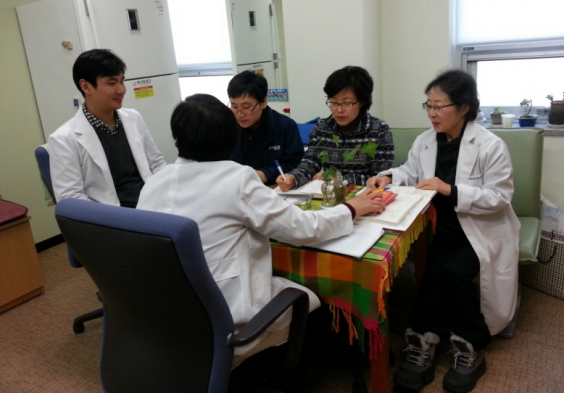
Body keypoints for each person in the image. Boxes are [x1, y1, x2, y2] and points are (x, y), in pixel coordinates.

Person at [136, 94, 386, 378]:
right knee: (311, 296)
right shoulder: (237, 179)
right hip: (225, 325)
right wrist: (351, 208)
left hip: (162, 322)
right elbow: (303, 228)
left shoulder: (154, 183)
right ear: (231, 139)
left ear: (176, 141)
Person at [366, 70, 519, 393]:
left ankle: (470, 346)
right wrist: (389, 177)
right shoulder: (426, 141)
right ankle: (423, 341)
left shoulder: (490, 145)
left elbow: (500, 197)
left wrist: (449, 189)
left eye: (439, 106)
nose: (432, 113)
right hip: (437, 227)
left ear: (464, 107)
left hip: (480, 230)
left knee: (452, 273)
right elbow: (411, 171)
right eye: (429, 105)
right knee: (433, 274)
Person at [49, 49, 166, 207]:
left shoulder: (133, 118)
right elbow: (70, 199)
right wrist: (118, 217)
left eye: (122, 81)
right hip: (111, 216)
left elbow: (157, 164)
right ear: (86, 86)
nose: (122, 90)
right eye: (112, 83)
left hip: (152, 203)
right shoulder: (63, 139)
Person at [276, 65, 394, 191]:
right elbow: (310, 163)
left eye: (347, 103)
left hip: (364, 195)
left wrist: (339, 178)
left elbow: (380, 177)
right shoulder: (322, 128)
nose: (339, 110)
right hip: (329, 196)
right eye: (333, 102)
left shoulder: (379, 130)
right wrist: (293, 178)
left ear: (362, 102)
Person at [226, 70, 304, 184]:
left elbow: (296, 165)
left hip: (274, 188)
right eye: (234, 106)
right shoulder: (226, 128)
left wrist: (265, 175)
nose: (239, 114)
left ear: (263, 102)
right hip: (235, 188)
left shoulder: (285, 126)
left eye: (246, 107)